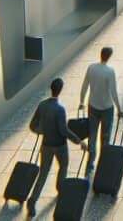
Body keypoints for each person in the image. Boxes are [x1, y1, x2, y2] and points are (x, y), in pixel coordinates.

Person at [26, 78, 88, 216]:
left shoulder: (42, 105)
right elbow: (63, 131)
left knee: (43, 174)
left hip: (46, 145)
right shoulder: (60, 110)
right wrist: (80, 141)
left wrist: (41, 131)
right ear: (60, 91)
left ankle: (33, 200)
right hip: (60, 146)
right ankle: (60, 189)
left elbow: (32, 126)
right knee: (64, 166)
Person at [78, 46, 123, 173]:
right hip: (107, 108)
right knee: (105, 137)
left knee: (92, 136)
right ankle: (103, 164)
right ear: (109, 56)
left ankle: (90, 164)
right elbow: (113, 91)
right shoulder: (110, 71)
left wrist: (81, 102)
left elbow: (85, 85)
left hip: (93, 105)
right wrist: (119, 108)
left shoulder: (91, 68)